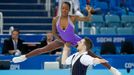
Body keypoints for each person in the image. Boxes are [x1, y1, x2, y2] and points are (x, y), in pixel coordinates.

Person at [12, 2, 120, 75]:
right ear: (60, 8)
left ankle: (112, 69)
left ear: (69, 10)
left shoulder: (73, 18)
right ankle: (24, 57)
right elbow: (54, 32)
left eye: (66, 9)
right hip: (61, 40)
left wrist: (88, 11)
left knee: (93, 55)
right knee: (43, 49)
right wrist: (62, 41)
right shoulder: (55, 19)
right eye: (62, 8)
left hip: (74, 40)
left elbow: (87, 19)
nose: (64, 10)